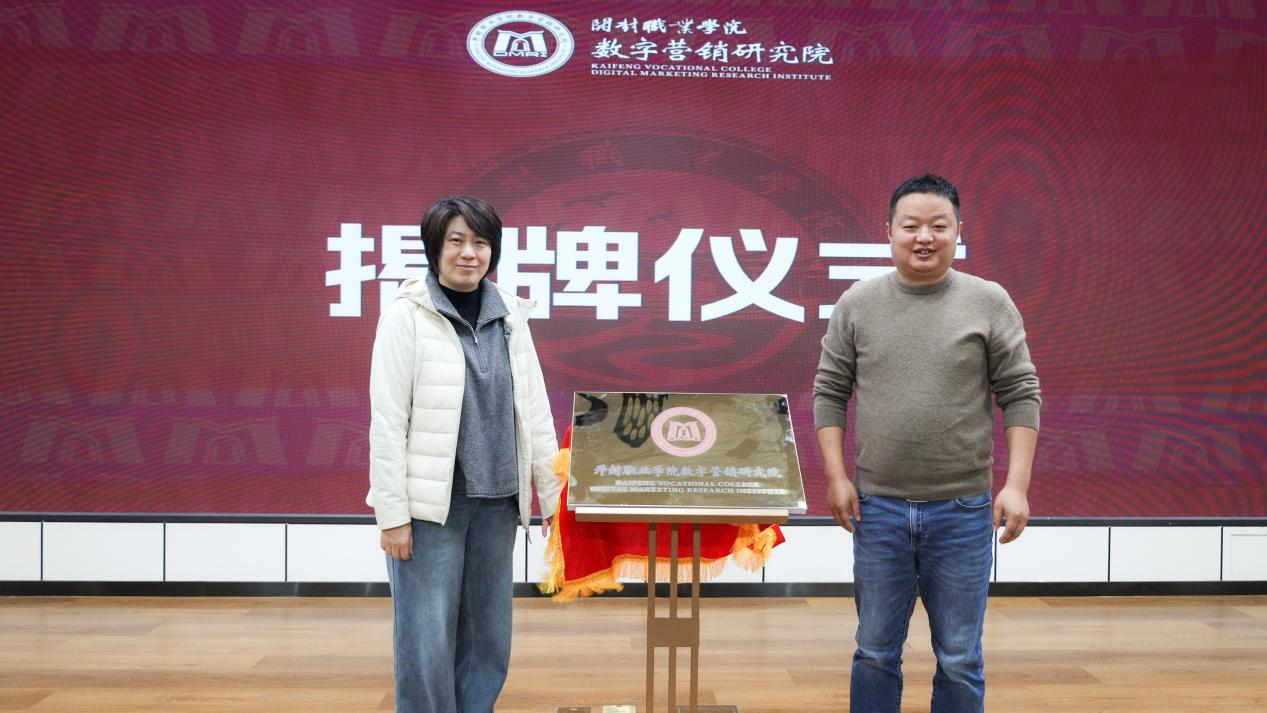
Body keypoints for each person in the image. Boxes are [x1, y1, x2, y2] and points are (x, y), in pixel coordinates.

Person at [813, 174, 1041, 712]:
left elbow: (1020, 393)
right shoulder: (858, 302)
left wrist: (1016, 486)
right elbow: (829, 391)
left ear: (958, 231)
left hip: (963, 511)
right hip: (878, 508)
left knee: (960, 656)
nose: (924, 237)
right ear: (888, 231)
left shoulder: (988, 301)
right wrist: (836, 477)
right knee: (874, 651)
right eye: (910, 225)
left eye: (938, 226)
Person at [367, 195, 561, 713]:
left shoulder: (511, 316)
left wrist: (552, 497)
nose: (469, 253)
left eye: (480, 242)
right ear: (435, 247)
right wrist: (392, 515)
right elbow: (387, 423)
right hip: (432, 506)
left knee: (488, 636)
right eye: (456, 240)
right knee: (426, 636)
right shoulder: (406, 317)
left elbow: (535, 412)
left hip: (499, 501)